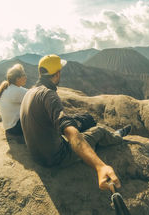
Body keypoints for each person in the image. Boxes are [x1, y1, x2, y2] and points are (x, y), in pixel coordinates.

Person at [20, 54, 131, 191]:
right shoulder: (49, 94)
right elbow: (70, 133)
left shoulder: (29, 92)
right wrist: (100, 166)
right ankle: (117, 136)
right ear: (57, 73)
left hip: (36, 155)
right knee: (99, 131)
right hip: (55, 157)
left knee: (80, 120)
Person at [0, 63, 28, 136]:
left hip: (9, 127)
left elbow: (27, 92)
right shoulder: (16, 91)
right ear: (17, 78)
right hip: (15, 128)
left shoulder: (10, 88)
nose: (26, 77)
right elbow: (34, 96)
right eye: (24, 75)